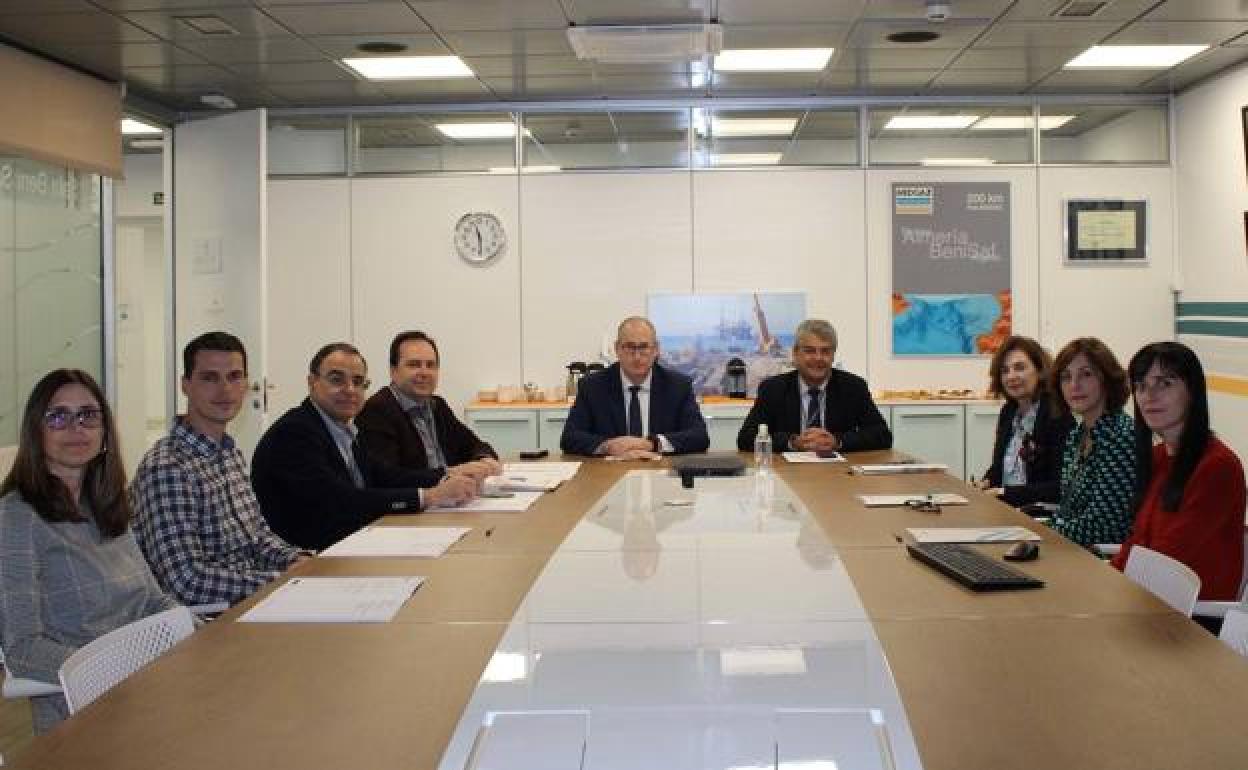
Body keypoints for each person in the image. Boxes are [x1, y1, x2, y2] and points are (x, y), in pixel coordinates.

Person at [0, 369, 179, 733]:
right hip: (86, 715)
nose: (75, 428)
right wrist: (113, 671)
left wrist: (189, 629)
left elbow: (152, 602)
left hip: (149, 689)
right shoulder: (17, 516)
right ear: (36, 431)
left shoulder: (105, 504)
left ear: (104, 432)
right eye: (58, 417)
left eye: (88, 415)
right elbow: (23, 648)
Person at [131, 332, 310, 607]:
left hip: (251, 600)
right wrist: (281, 581)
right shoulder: (167, 467)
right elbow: (185, 582)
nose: (225, 389)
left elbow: (257, 538)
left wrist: (300, 560)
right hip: (208, 620)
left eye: (234, 376)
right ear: (185, 385)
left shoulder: (230, 453)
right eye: (209, 378)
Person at [252, 343, 478, 551]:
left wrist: (447, 474)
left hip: (351, 543)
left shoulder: (341, 427)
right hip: (314, 556)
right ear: (312, 383)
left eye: (358, 382)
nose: (350, 390)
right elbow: (341, 501)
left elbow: (383, 475)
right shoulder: (294, 433)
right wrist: (428, 496)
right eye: (336, 379)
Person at [1112, 342, 1246, 601]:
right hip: (1149, 601)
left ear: (1193, 392)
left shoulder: (1218, 467)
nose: (1149, 395)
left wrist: (1109, 587)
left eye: (1164, 383)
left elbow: (1166, 559)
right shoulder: (1158, 457)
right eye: (1140, 386)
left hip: (1193, 620)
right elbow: (1138, 542)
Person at [356, 330, 500, 481]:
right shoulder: (376, 411)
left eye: (431, 365)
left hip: (453, 499)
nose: (424, 372)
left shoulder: (437, 405)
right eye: (414, 365)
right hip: (417, 503)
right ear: (393, 371)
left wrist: (485, 460)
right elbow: (388, 477)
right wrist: (449, 473)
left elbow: (474, 445)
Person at [560, 317, 709, 458]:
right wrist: (608, 446)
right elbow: (569, 438)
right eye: (630, 347)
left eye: (644, 347)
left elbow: (700, 437)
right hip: (610, 472)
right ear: (617, 349)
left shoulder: (677, 386)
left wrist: (651, 444)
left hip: (661, 471)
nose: (637, 356)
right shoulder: (593, 386)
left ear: (656, 349)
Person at [737, 319, 891, 452]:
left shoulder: (853, 387)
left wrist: (837, 441)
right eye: (810, 351)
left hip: (839, 475)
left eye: (825, 351)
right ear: (795, 354)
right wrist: (793, 442)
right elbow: (746, 438)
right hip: (789, 475)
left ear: (833, 355)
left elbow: (882, 435)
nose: (818, 358)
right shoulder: (773, 389)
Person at [1047, 337, 1136, 549]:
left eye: (1086, 374)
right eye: (1066, 377)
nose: (1074, 385)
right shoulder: (1077, 435)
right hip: (1074, 549)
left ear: (1106, 379)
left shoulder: (1121, 436)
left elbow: (1104, 525)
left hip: (1105, 560)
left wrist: (1043, 535)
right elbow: (1067, 509)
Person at [975, 335, 1073, 506]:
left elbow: (1059, 487)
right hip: (1006, 508)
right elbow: (999, 469)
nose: (1011, 376)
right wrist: (986, 482)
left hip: (1039, 514)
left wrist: (1004, 493)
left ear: (1040, 370)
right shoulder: (1008, 412)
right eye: (1005, 370)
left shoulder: (1057, 414)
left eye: (1019, 368)